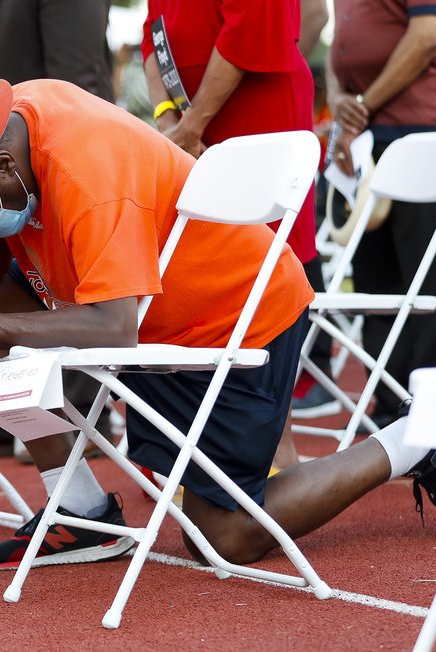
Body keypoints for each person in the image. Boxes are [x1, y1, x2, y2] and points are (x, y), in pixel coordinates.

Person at [0, 78, 436, 570]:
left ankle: (415, 439)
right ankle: (81, 513)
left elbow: (115, 328)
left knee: (225, 538)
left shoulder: (85, 168)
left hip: (234, 319)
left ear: (2, 165)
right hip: (155, 308)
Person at [0, 0, 120, 462]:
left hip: (44, 162)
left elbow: (81, 78)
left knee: (80, 288)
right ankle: (43, 458)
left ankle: (80, 413)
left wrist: (75, 169)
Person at [140, 0, 330, 463]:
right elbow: (154, 33)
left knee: (262, 273)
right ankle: (194, 447)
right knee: (195, 271)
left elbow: (254, 24)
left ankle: (272, 448)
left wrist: (192, 122)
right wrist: (172, 120)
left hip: (255, 111)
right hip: (189, 123)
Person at [327, 0, 436, 429]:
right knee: (376, 285)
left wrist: (360, 106)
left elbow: (425, 38)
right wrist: (337, 100)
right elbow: (341, 44)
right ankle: (389, 407)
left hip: (418, 128)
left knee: (427, 279)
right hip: (367, 136)